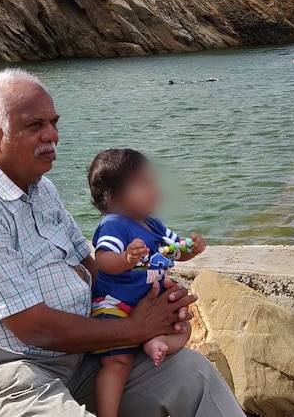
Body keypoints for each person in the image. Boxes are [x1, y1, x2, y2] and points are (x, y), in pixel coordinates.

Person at [0, 68, 245, 417]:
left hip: (79, 355)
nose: (52, 135)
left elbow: (90, 264)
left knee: (193, 375)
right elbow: (34, 328)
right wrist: (134, 328)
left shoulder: (40, 189)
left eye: (54, 122)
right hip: (8, 370)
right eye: (35, 126)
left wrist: (147, 293)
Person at [87, 148, 207, 417]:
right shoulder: (115, 224)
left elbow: (175, 251)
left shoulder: (152, 225)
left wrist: (191, 249)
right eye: (143, 184)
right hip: (115, 305)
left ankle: (157, 342)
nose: (154, 189)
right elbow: (104, 259)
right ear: (114, 197)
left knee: (184, 328)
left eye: (152, 181)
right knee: (117, 362)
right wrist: (127, 258)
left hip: (146, 304)